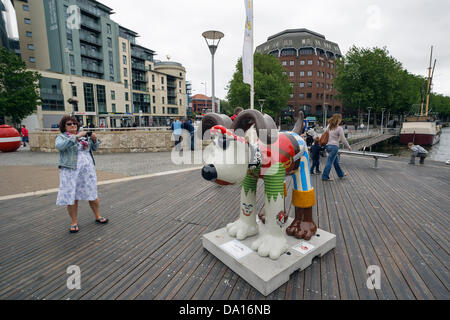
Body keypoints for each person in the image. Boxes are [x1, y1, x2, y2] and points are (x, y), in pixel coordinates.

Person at [55, 116, 108, 233]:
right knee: (72, 196)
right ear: (64, 126)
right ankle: (74, 222)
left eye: (75, 123)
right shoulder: (61, 137)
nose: (73, 125)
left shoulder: (84, 136)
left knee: (92, 193)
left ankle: (98, 216)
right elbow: (60, 146)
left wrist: (94, 139)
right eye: (69, 124)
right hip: (70, 171)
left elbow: (95, 148)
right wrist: (77, 136)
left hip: (87, 170)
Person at [322, 114, 352, 181]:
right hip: (334, 147)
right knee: (329, 162)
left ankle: (341, 174)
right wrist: (348, 147)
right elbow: (343, 139)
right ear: (338, 120)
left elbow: (324, 134)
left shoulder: (328, 126)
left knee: (335, 162)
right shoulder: (339, 128)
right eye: (340, 119)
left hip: (327, 146)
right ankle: (325, 176)